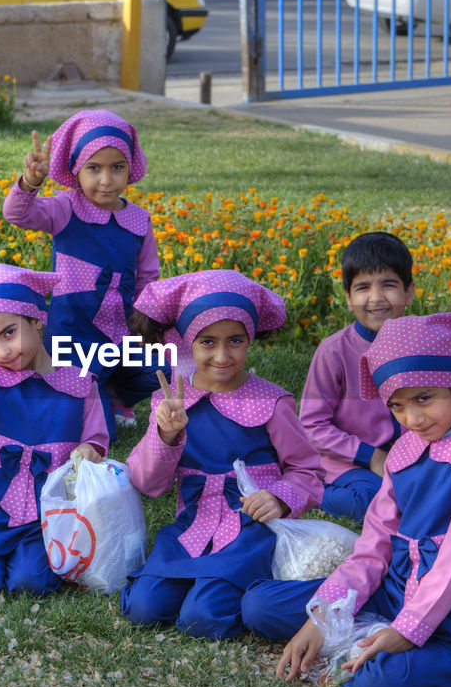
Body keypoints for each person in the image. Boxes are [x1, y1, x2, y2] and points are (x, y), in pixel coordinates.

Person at [241, 313, 451, 687]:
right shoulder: (404, 452)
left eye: (424, 399)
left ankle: (381, 643)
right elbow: (372, 550)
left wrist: (407, 631)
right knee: (258, 605)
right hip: (391, 593)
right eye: (397, 406)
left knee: (379, 686)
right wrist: (322, 620)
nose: (413, 419)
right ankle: (360, 633)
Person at [119, 270, 324, 641]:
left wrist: (280, 497)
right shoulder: (170, 403)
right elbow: (148, 482)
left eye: (235, 341)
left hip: (250, 530)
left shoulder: (272, 403)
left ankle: (236, 590)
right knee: (144, 608)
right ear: (185, 341)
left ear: (250, 341)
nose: (222, 355)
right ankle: (197, 582)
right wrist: (166, 433)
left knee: (203, 618)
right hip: (191, 526)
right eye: (207, 342)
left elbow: (306, 469)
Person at [0, 264, 109, 596]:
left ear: (36, 320)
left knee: (30, 582)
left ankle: (31, 558)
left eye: (8, 333)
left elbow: (96, 436)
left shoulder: (79, 381)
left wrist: (90, 448)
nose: (1, 351)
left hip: (48, 510)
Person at [3, 109, 163, 438]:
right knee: (102, 431)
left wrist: (149, 323)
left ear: (130, 168)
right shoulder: (66, 209)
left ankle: (119, 392)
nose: (106, 180)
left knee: (165, 367)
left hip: (123, 332)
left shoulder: (139, 220)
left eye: (117, 168)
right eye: (94, 168)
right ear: (77, 169)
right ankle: (97, 391)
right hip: (74, 336)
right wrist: (31, 182)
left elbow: (148, 277)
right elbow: (17, 214)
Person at [298, 232, 413, 521]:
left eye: (389, 285)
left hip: (409, 459)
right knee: (375, 501)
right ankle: (306, 491)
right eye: (363, 288)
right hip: (349, 462)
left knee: (441, 490)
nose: (376, 298)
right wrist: (371, 456)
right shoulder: (334, 352)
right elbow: (311, 424)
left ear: (409, 293)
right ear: (349, 298)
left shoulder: (419, 344)